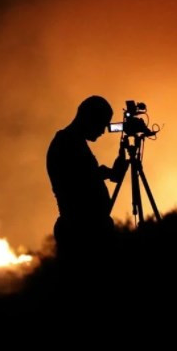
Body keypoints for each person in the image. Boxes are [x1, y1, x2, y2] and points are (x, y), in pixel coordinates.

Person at [46, 95, 126, 262]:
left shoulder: (72, 142)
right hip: (81, 232)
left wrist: (106, 173)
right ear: (89, 118)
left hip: (89, 229)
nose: (103, 131)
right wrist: (103, 173)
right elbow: (76, 184)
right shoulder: (66, 143)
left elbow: (84, 177)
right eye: (101, 124)